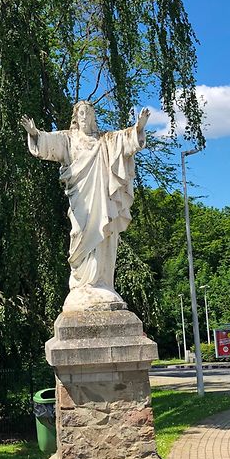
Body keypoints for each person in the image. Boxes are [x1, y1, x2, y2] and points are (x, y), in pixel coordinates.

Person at [20, 101, 150, 312]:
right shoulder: (68, 139)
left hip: (102, 198)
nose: (84, 117)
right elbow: (47, 145)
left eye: (88, 113)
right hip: (81, 198)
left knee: (104, 234)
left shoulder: (105, 140)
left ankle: (102, 282)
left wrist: (138, 128)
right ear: (76, 116)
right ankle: (82, 284)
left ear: (92, 117)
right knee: (79, 233)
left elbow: (125, 141)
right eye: (81, 113)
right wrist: (35, 133)